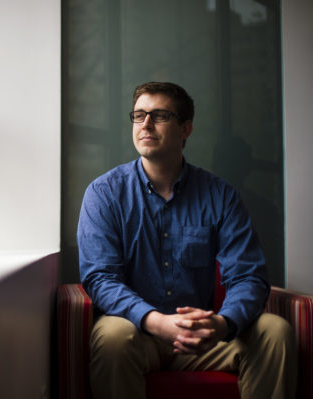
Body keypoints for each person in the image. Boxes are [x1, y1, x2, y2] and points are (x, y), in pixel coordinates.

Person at [77, 81, 296, 399]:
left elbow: (249, 276)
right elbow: (100, 278)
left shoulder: (220, 196)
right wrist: (155, 321)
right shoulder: (104, 193)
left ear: (186, 129)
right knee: (112, 336)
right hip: (136, 333)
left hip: (205, 338)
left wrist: (221, 324)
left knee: (275, 331)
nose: (146, 124)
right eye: (138, 116)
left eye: (160, 115)